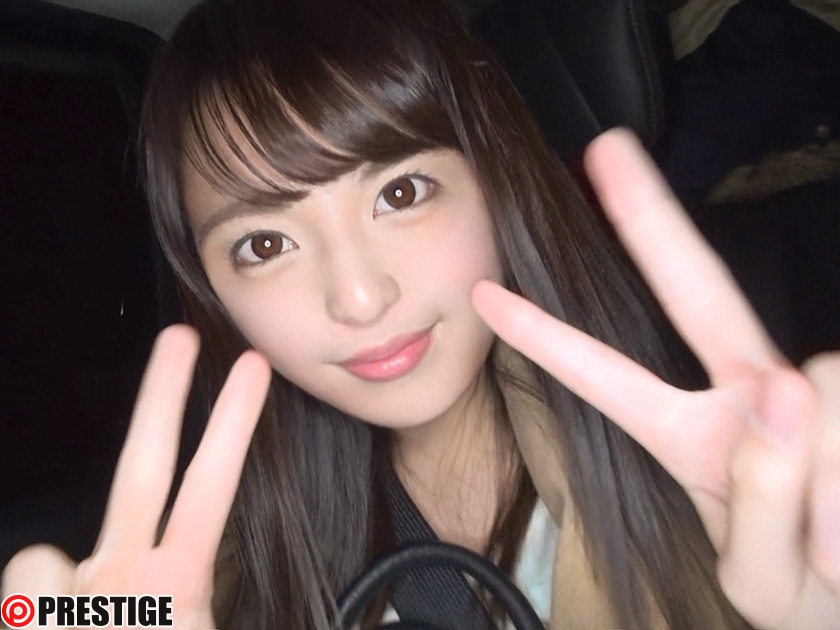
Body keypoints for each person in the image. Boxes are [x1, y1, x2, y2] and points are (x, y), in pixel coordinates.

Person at [3, 0, 839, 628]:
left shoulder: (736, 478)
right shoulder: (208, 585)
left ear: (495, 180)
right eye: (263, 244)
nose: (360, 298)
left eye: (401, 193)